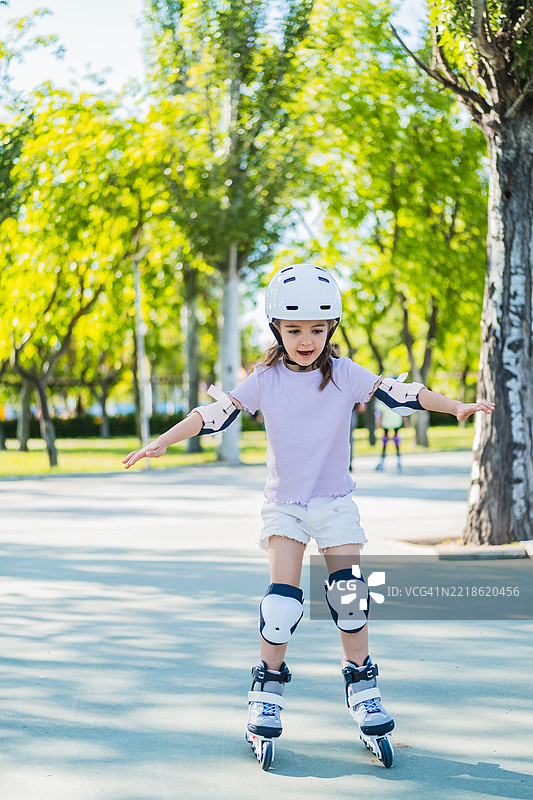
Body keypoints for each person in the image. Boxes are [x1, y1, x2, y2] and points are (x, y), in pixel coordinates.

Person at [122, 263, 494, 769]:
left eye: (316, 330)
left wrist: (454, 406)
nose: (305, 340)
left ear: (331, 329)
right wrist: (163, 441)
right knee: (282, 604)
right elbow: (215, 414)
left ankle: (361, 686)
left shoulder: (345, 375)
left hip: (335, 502)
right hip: (286, 508)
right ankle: (267, 689)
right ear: (277, 328)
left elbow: (400, 393)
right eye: (294, 330)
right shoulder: (266, 379)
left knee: (351, 598)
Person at [375, 397, 404, 472]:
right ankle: (397, 461)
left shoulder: (382, 399)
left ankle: (396, 461)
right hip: (392, 422)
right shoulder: (396, 397)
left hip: (391, 423)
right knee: (389, 443)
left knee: (391, 443)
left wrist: (377, 423)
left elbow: (378, 413)